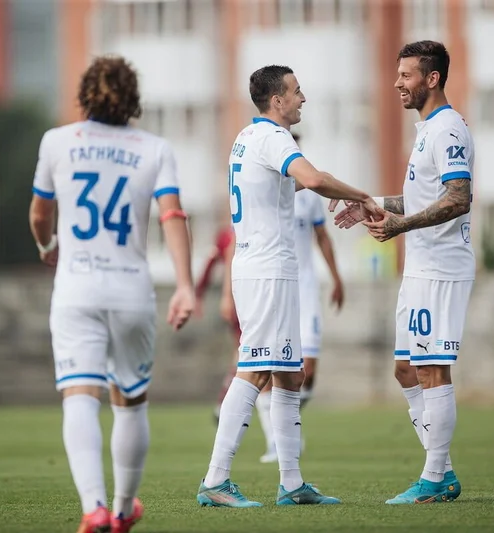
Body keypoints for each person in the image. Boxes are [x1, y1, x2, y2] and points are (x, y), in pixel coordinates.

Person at [195, 64, 380, 508]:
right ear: (276, 100)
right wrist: (361, 196)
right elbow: (312, 178)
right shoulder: (274, 137)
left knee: (289, 375)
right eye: (296, 91)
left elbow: (279, 188)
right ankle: (215, 480)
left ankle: (292, 483)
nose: (303, 98)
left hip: (267, 268)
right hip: (266, 270)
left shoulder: (247, 137)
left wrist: (326, 189)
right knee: (255, 371)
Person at [29, 55, 195, 533]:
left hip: (76, 288)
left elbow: (39, 215)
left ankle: (94, 507)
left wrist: (48, 246)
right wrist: (184, 285)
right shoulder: (155, 148)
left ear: (85, 95)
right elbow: (172, 216)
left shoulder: (56, 141)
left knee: (79, 394)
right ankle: (122, 510)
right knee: (130, 399)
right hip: (130, 290)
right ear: (133, 99)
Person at [333, 40, 474, 504]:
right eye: (398, 74)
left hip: (441, 268)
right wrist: (373, 204)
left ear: (432, 79)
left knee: (431, 368)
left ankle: (434, 478)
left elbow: (458, 198)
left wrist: (400, 226)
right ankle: (443, 471)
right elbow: (420, 198)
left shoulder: (448, 129)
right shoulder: (427, 130)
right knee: (405, 370)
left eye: (406, 75)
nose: (397, 83)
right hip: (420, 268)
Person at [256, 133, 346, 463]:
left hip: (305, 289)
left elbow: (322, 236)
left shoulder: (307, 193)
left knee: (307, 371)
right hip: (274, 286)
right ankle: (276, 441)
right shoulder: (262, 187)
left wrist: (336, 277)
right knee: (267, 368)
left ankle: (285, 425)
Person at [193, 213, 239, 423]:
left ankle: (225, 404)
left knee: (245, 355)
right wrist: (198, 295)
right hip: (244, 301)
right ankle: (225, 404)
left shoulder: (227, 234)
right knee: (246, 354)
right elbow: (212, 262)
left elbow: (210, 263)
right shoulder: (231, 235)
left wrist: (198, 294)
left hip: (251, 299)